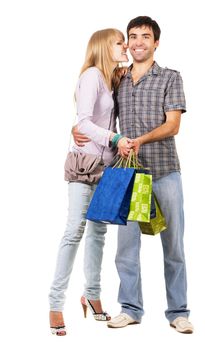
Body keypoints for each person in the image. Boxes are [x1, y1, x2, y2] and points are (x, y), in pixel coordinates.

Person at [73, 16, 193, 334]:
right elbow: (97, 114)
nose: (138, 42)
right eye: (132, 36)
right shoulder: (118, 79)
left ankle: (178, 312)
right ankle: (130, 308)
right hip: (129, 176)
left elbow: (173, 125)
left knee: (174, 246)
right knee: (126, 248)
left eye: (145, 36)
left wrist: (139, 140)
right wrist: (77, 127)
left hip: (165, 171)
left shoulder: (170, 77)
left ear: (156, 43)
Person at [49, 28, 130, 336]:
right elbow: (82, 121)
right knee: (74, 231)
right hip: (84, 165)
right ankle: (55, 303)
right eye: (119, 42)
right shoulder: (92, 76)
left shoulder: (113, 78)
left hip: (107, 168)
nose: (125, 46)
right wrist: (116, 138)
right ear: (102, 46)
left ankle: (92, 294)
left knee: (98, 234)